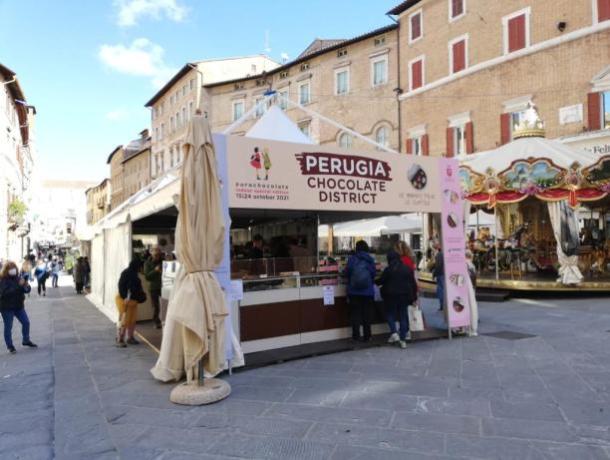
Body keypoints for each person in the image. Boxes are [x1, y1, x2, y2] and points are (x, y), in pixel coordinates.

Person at [376, 250, 418, 349]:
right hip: (404, 296)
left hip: (391, 296)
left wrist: (374, 281)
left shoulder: (388, 269)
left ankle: (394, 333)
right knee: (403, 316)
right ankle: (403, 340)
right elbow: (413, 284)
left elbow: (381, 281)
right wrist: (414, 297)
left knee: (390, 314)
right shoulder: (407, 269)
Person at [0, 261, 37, 354]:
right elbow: (4, 293)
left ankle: (26, 340)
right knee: (8, 327)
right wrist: (18, 286)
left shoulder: (18, 278)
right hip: (7, 307)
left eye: (14, 268)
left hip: (18, 306)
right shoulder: (2, 280)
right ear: (6, 270)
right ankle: (10, 346)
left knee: (26, 322)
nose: (13, 270)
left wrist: (26, 285)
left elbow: (26, 290)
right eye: (11, 268)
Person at [345, 240, 376, 342]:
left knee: (355, 314)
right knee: (367, 314)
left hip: (354, 291)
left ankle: (356, 336)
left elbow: (347, 273)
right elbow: (373, 274)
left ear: (356, 248)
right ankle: (368, 336)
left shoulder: (352, 259)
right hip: (368, 292)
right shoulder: (370, 259)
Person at [115, 259, 147, 347]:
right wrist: (124, 297)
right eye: (140, 267)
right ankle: (120, 338)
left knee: (132, 320)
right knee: (124, 320)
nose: (141, 268)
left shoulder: (133, 274)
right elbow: (121, 286)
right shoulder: (127, 273)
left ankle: (130, 337)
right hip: (125, 300)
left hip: (131, 300)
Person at [144, 246, 164, 329]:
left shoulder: (163, 262)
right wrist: (155, 271)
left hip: (164, 286)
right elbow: (147, 277)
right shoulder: (147, 263)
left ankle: (165, 321)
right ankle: (156, 322)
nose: (157, 255)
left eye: (158, 252)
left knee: (165, 304)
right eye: (155, 252)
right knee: (156, 306)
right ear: (151, 253)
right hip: (153, 288)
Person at [432, 243, 445, 311]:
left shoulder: (439, 255)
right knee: (442, 289)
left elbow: (438, 266)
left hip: (440, 274)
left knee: (441, 290)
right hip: (443, 274)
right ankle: (442, 305)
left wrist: (434, 274)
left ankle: (442, 305)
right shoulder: (442, 254)